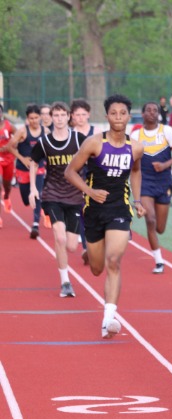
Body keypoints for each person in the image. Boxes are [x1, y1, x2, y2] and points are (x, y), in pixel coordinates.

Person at [65, 94, 145, 339]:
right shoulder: (93, 143)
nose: (118, 117)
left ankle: (108, 318)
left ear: (129, 116)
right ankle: (90, 253)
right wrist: (89, 191)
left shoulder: (136, 147)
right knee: (97, 268)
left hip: (119, 209)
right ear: (107, 116)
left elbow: (136, 171)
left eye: (123, 113)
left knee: (113, 261)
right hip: (93, 210)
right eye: (113, 113)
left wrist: (138, 200)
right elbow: (70, 171)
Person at [29, 101, 86, 297]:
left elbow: (94, 157)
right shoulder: (44, 142)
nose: (60, 119)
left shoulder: (79, 139)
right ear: (50, 118)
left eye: (63, 115)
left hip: (75, 196)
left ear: (68, 117)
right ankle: (65, 282)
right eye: (56, 115)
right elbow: (33, 162)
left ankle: (71, 245)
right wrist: (33, 189)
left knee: (71, 246)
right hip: (52, 194)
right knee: (60, 237)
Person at [130, 101, 172, 274]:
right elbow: (132, 159)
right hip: (145, 181)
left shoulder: (166, 131)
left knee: (160, 228)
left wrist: (165, 165)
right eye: (149, 110)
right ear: (143, 114)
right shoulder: (136, 135)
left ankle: (156, 242)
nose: (152, 112)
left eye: (155, 110)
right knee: (150, 219)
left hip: (164, 181)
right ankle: (159, 261)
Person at [1, 104, 47, 238]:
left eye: (36, 117)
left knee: (37, 193)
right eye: (31, 118)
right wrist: (23, 158)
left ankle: (35, 225)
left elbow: (50, 148)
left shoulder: (46, 132)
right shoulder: (22, 131)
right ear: (27, 118)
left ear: (40, 117)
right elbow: (10, 146)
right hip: (22, 168)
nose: (34, 120)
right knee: (26, 200)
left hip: (38, 168)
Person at [70, 98, 100, 264]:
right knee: (82, 211)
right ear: (72, 116)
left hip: (96, 176)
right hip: (78, 176)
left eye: (83, 114)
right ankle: (86, 248)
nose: (80, 118)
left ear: (88, 114)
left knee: (96, 212)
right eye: (77, 115)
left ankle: (95, 243)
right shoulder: (70, 134)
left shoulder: (97, 132)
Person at [0, 104, 17, 224]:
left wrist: (13, 145)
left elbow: (19, 136)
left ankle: (6, 196)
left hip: (9, 159)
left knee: (7, 185)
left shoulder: (8, 126)